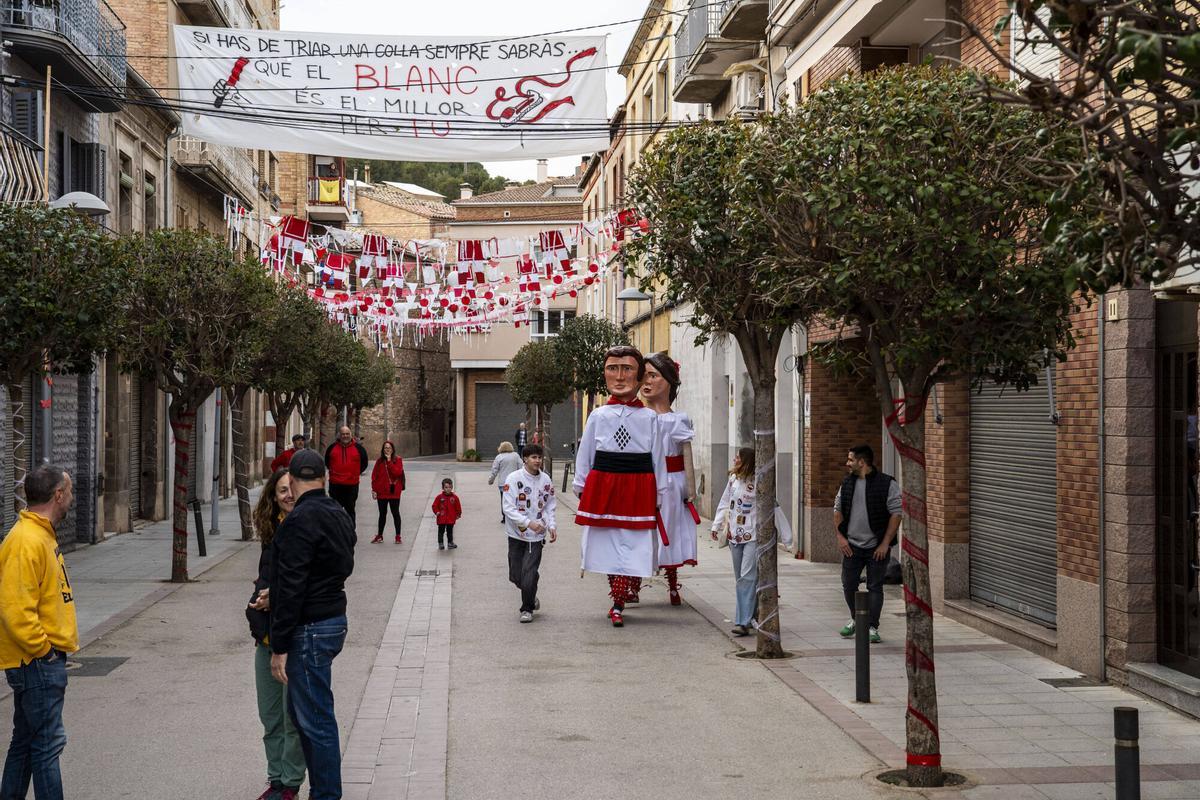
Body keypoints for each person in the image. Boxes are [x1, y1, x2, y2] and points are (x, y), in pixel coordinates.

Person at [269, 450, 356, 800]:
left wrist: (279, 645)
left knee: (316, 720)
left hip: (310, 627)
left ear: (291, 479)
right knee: (304, 712)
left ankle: (326, 795)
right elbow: (345, 564)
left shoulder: (299, 520)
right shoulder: (338, 512)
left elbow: (291, 587)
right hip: (333, 619)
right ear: (326, 476)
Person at [574, 345, 667, 627]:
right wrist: (581, 485)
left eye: (627, 369)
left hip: (639, 485)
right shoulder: (598, 416)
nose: (619, 376)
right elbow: (586, 453)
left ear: (639, 377)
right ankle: (617, 595)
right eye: (612, 368)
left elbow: (658, 458)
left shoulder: (650, 418)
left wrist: (660, 492)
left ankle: (620, 597)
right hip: (604, 484)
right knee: (607, 542)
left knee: (634, 542)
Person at [0, 464, 78, 800]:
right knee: (47, 746)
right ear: (58, 495)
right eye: (70, 491)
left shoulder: (38, 535)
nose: (72, 498)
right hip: (36, 662)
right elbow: (15, 609)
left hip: (37, 661)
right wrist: (44, 651)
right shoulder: (26, 540)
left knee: (26, 743)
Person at [247, 470, 304, 800]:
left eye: (292, 489)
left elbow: (305, 586)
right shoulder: (272, 532)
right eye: (282, 490)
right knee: (270, 716)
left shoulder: (306, 531)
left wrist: (275, 596)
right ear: (273, 496)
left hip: (293, 639)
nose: (287, 495)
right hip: (265, 637)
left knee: (291, 718)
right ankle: (276, 778)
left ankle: (291, 782)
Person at [642, 352, 699, 606]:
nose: (646, 381)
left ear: (668, 381)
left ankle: (673, 584)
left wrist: (691, 487)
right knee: (640, 533)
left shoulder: (679, 419)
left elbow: (687, 455)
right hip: (644, 482)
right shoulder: (638, 418)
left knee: (671, 532)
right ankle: (631, 585)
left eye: (653, 375)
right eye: (643, 376)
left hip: (672, 485)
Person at [834, 444, 902, 644]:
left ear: (861, 462)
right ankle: (857, 619)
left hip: (877, 547)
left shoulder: (887, 483)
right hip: (851, 546)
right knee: (848, 584)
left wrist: (885, 544)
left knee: (875, 586)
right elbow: (837, 510)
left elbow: (896, 513)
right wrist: (841, 538)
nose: (847, 463)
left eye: (850, 459)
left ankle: (872, 626)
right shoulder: (847, 483)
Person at [502, 444, 558, 623]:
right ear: (525, 459)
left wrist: (551, 526)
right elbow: (508, 508)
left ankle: (527, 608)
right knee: (516, 575)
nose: (537, 461)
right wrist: (528, 523)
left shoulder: (546, 480)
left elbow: (550, 505)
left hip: (536, 536)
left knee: (529, 573)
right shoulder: (513, 479)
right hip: (516, 535)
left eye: (539, 457)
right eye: (534, 457)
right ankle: (530, 591)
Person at [711, 448, 758, 637]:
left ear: (746, 460)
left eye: (738, 457)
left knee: (747, 578)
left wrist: (786, 538)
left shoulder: (758, 482)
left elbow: (774, 507)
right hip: (734, 536)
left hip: (753, 536)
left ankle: (742, 622)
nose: (734, 459)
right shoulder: (733, 480)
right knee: (741, 579)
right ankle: (752, 613)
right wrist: (716, 526)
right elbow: (724, 502)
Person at [323, 426, 368, 526]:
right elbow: (327, 462)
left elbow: (364, 463)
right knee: (335, 511)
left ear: (350, 435)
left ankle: (350, 533)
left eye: (347, 434)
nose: (345, 436)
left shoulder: (359, 448)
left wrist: (354, 474)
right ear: (339, 435)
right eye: (343, 434)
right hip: (335, 485)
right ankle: (336, 532)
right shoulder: (332, 448)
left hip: (351, 485)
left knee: (350, 510)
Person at [370, 441, 405, 544]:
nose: (387, 450)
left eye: (389, 448)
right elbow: (374, 476)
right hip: (382, 492)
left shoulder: (398, 460)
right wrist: (374, 489)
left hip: (394, 492)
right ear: (383, 450)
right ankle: (380, 535)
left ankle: (398, 536)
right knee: (382, 514)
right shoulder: (379, 461)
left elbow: (397, 473)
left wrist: (389, 461)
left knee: (395, 513)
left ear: (393, 449)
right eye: (385, 448)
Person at [488, 442, 523, 524]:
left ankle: (505, 517)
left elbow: (494, 470)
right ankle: (515, 516)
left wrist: (491, 480)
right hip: (515, 483)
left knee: (504, 500)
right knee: (515, 499)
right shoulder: (516, 455)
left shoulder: (499, 457)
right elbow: (521, 467)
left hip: (503, 483)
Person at [432, 479, 463, 550]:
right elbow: (434, 505)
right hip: (441, 518)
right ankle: (441, 543)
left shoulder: (455, 498)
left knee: (450, 531)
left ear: (452, 487)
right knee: (441, 531)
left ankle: (450, 542)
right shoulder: (439, 497)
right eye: (446, 487)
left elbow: (458, 506)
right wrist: (436, 512)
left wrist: (458, 514)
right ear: (443, 488)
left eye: (449, 487)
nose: (448, 489)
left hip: (451, 518)